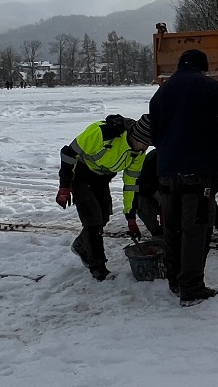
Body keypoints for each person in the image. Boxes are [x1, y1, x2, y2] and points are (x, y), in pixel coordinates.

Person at [148, 48, 218, 306]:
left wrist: (167, 150)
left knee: (172, 228)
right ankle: (191, 288)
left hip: (166, 172)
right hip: (198, 171)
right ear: (203, 67)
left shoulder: (163, 91)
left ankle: (174, 280)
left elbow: (154, 131)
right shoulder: (208, 86)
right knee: (196, 229)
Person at [56, 113, 151, 280]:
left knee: (104, 216)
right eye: (143, 143)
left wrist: (130, 216)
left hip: (101, 178)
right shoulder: (102, 133)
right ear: (135, 135)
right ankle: (97, 267)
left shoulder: (138, 153)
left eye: (148, 145)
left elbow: (131, 184)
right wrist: (64, 186)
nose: (144, 148)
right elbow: (68, 153)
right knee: (93, 220)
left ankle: (81, 244)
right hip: (79, 175)